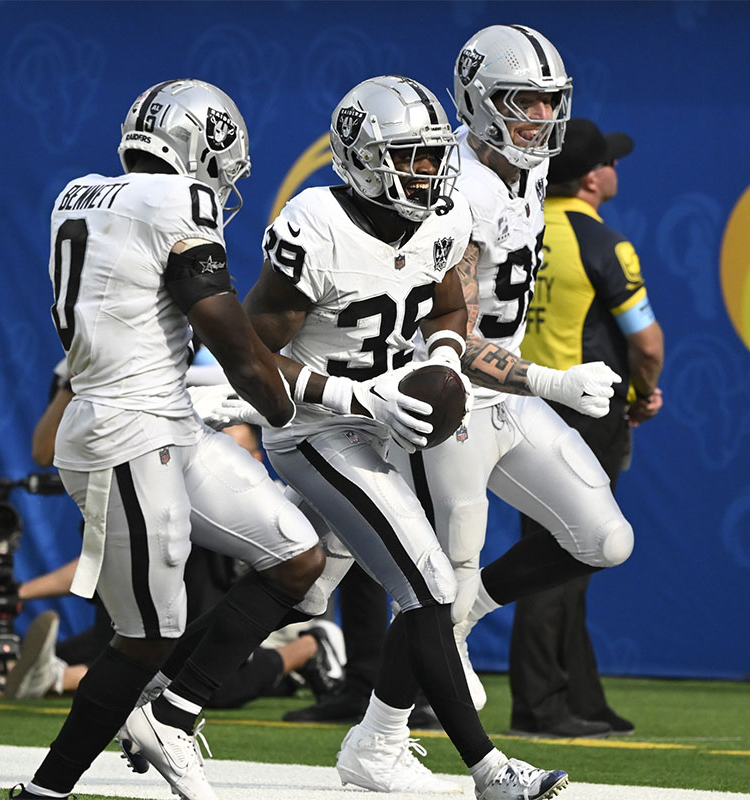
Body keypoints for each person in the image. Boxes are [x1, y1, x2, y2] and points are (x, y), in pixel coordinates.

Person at [232, 74, 569, 799]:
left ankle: (169, 699)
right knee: (428, 585)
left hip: (383, 421)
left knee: (307, 584)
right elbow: (253, 360)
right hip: (318, 424)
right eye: (409, 157)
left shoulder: (442, 215)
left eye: (430, 154)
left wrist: (443, 361)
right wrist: (355, 393)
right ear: (358, 156)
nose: (429, 171)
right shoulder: (315, 222)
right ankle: (484, 769)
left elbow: (449, 308)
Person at [10, 79, 324, 800]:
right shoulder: (178, 201)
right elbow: (231, 340)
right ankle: (46, 791)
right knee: (147, 635)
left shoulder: (80, 192)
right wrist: (291, 410)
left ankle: (174, 715)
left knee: (295, 555)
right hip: (126, 430)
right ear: (197, 146)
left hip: (161, 420)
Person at [356, 24, 634, 745]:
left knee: (602, 539)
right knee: (416, 587)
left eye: (549, 103)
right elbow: (448, 330)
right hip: (448, 397)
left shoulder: (529, 171)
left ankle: (469, 610)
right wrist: (552, 379)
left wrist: (536, 383)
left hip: (506, 398)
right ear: (478, 102)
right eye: (523, 102)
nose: (541, 119)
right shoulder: (453, 190)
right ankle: (378, 737)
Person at [509, 118, 664, 737]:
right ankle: (541, 706)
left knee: (565, 552)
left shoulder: (517, 229)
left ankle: (579, 696)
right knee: (567, 555)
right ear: (593, 178)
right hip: (590, 411)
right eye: (611, 162)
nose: (616, 170)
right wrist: (644, 392)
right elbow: (647, 344)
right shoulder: (604, 243)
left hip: (521, 404)